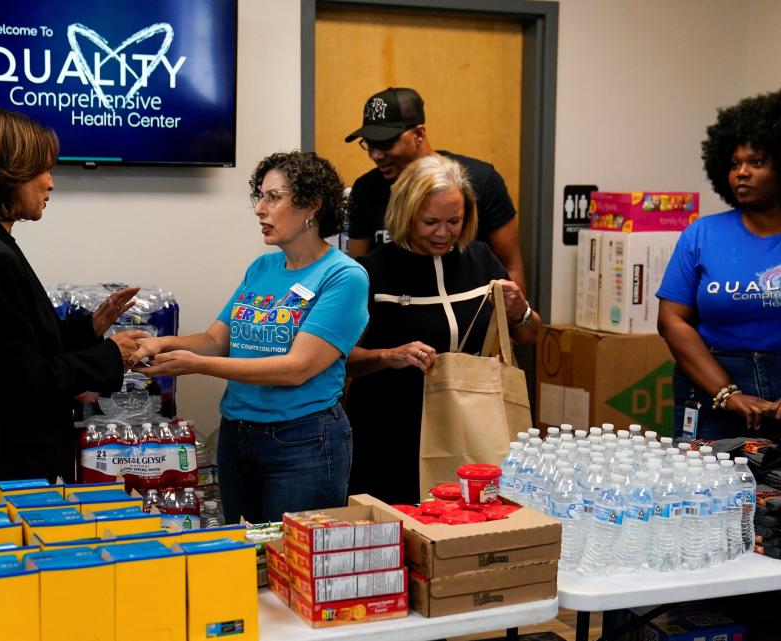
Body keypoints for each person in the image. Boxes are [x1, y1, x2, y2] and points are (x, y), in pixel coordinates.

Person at [0, 107, 145, 513]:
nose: (51, 183)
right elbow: (27, 379)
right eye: (41, 170)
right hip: (0, 470)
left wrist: (90, 327)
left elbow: (11, 343)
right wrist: (112, 356)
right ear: (4, 174)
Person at [133, 151, 369, 524]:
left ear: (312, 204)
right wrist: (162, 343)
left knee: (291, 564)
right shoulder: (262, 267)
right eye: (259, 197)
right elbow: (216, 339)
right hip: (237, 437)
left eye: (273, 197)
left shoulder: (344, 276)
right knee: (245, 561)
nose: (260, 209)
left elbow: (297, 368)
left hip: (302, 443)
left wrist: (197, 366)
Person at [346, 154, 541, 505]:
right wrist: (389, 356)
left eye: (455, 220)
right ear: (406, 214)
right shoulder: (372, 271)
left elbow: (528, 336)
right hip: (389, 435)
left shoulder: (481, 259)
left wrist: (520, 310)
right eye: (430, 221)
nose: (443, 233)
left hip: (468, 431)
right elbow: (340, 360)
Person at [657, 90, 781, 440]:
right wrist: (727, 393)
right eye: (735, 164)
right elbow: (672, 320)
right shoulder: (702, 234)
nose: (742, 173)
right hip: (713, 387)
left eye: (757, 163)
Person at [344, 87, 528, 296]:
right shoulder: (367, 189)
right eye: (369, 145)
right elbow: (357, 275)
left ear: (419, 134)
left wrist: (516, 319)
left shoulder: (479, 180)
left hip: (470, 316)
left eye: (387, 143)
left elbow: (511, 267)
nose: (376, 155)